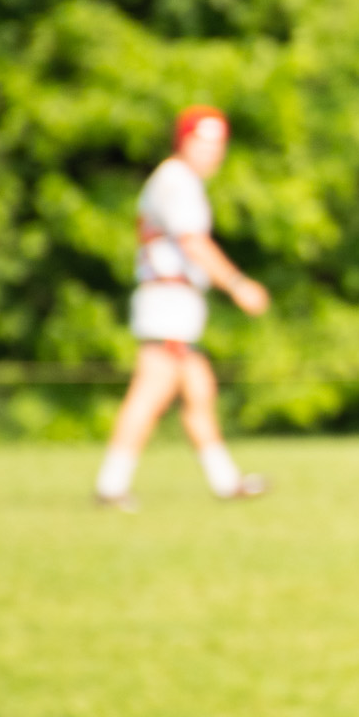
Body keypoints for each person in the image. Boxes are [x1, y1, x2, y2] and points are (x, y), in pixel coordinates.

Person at [93, 106, 270, 509]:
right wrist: (238, 284)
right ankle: (110, 485)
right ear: (183, 142)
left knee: (199, 392)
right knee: (151, 391)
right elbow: (193, 242)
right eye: (202, 143)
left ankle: (226, 481)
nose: (212, 153)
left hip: (178, 302)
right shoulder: (177, 180)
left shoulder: (181, 180)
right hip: (167, 299)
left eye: (217, 144)